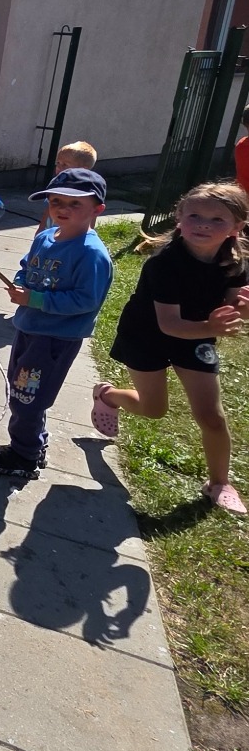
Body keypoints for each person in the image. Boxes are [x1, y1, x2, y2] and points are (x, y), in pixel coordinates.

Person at [94, 182, 249, 512]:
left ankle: (219, 482)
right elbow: (169, 324)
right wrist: (213, 326)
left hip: (196, 337)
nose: (203, 224)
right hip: (146, 335)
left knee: (212, 416)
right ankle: (108, 396)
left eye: (217, 220)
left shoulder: (234, 263)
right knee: (153, 409)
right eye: (194, 215)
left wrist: (241, 310)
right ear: (179, 218)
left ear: (237, 227)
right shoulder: (163, 263)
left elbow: (233, 305)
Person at [0, 166, 114, 482]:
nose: (62, 209)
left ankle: (23, 457)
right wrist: (20, 283)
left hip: (55, 338)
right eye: (55, 202)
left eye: (74, 204)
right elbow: (27, 268)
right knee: (22, 389)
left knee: (28, 396)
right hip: (30, 328)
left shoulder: (92, 254)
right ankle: (33, 443)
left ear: (98, 209)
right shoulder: (47, 237)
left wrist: (35, 300)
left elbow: (86, 300)